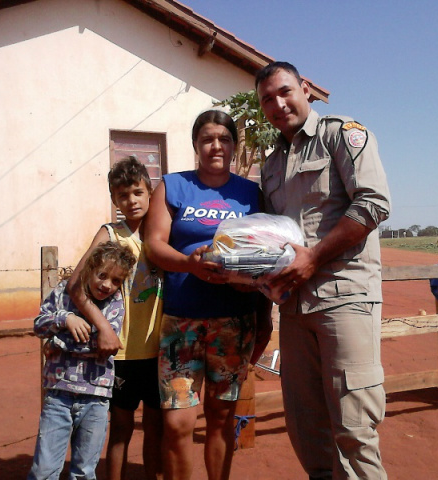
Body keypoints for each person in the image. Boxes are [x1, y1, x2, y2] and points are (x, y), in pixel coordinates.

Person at [255, 61, 391, 479]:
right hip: (295, 311)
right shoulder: (271, 164)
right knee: (306, 428)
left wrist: (312, 258)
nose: (278, 104)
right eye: (267, 100)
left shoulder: (341, 134)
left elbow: (373, 203)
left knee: (354, 433)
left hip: (345, 300)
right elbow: (272, 237)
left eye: (285, 92)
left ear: (306, 89)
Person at [144, 109, 273, 480]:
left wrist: (264, 319)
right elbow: (154, 244)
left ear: (234, 145)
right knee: (178, 423)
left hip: (235, 322)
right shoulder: (173, 186)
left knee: (220, 419)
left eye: (224, 138)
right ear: (196, 145)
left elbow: (267, 254)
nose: (216, 146)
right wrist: (190, 264)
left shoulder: (251, 193)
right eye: (207, 139)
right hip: (180, 323)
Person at [66, 157, 164, 480]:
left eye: (137, 192)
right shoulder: (109, 234)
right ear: (114, 200)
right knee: (120, 429)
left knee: (155, 428)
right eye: (123, 196)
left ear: (150, 192)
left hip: (159, 351)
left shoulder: (162, 233)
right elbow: (75, 286)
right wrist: (104, 328)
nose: (131, 201)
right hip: (119, 353)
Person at [28, 241, 135, 480]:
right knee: (44, 470)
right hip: (59, 394)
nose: (107, 285)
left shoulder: (115, 304)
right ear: (89, 270)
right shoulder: (62, 293)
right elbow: (39, 325)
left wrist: (56, 342)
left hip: (95, 398)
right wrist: (66, 319)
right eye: (102, 275)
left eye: (116, 281)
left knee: (84, 472)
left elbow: (103, 346)